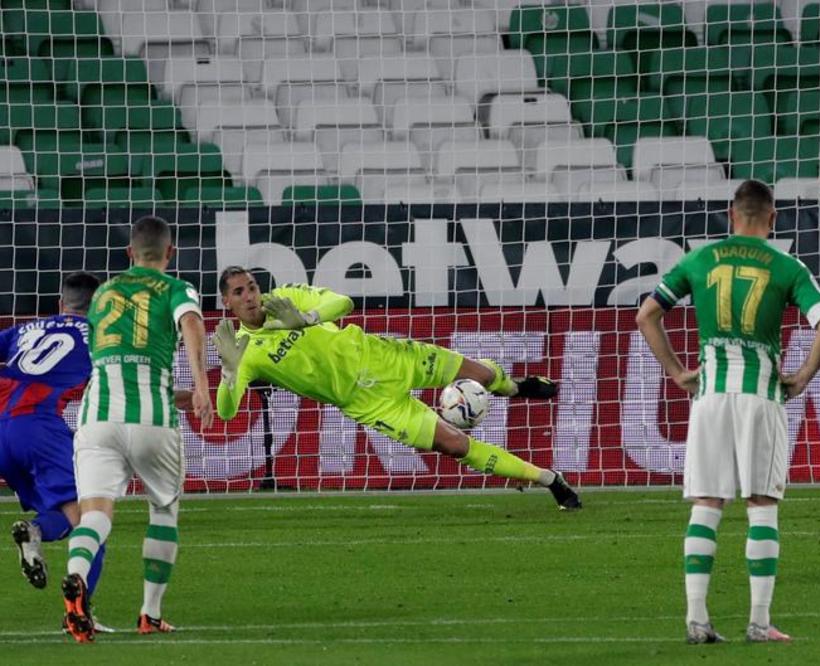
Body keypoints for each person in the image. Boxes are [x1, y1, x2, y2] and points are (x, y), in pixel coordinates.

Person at [636, 180, 820, 644]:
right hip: (760, 398)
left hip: (709, 398)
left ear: (732, 214)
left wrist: (675, 371)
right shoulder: (788, 266)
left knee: (707, 504)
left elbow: (646, 315)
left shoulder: (698, 259)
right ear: (773, 218)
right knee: (761, 504)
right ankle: (759, 622)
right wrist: (803, 377)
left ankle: (696, 619)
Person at [212, 266, 581, 510]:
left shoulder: (285, 299)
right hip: (368, 403)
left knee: (478, 376)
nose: (250, 296)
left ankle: (515, 388)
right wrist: (229, 373)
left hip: (384, 357)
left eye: (253, 287)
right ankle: (549, 480)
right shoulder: (242, 352)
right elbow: (227, 411)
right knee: (454, 445)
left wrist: (306, 319)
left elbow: (342, 302)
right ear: (227, 302)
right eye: (240, 292)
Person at [61, 216, 214, 643]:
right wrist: (202, 387)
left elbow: (116, 360)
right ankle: (149, 613)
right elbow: (192, 323)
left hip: (97, 416)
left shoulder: (104, 292)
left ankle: (76, 577)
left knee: (94, 514)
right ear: (171, 253)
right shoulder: (177, 288)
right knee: (163, 511)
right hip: (152, 419)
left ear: (129, 253)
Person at [1, 273, 104, 594]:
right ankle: (81, 612)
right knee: (90, 519)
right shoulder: (102, 337)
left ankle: (34, 531)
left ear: (61, 304)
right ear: (100, 307)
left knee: (58, 511)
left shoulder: (24, 329)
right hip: (38, 427)